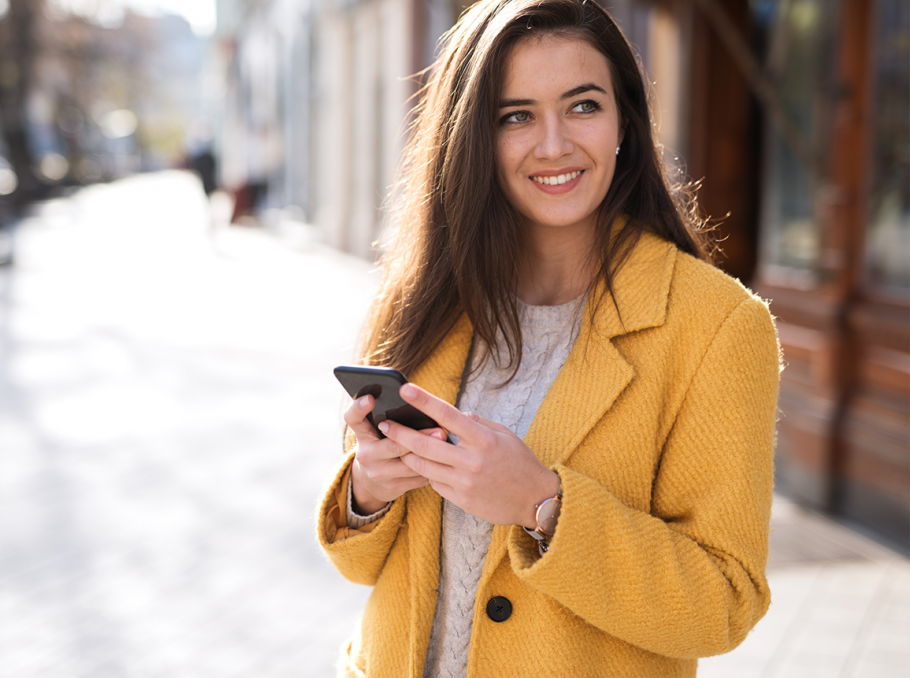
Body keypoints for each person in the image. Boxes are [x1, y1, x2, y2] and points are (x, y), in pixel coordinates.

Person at [316, 1, 781, 676]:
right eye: (516, 115)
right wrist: (368, 490)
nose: (554, 143)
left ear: (625, 119)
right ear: (473, 136)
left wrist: (544, 505)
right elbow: (358, 566)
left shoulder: (716, 325)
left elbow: (725, 602)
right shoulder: (426, 296)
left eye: (583, 106)